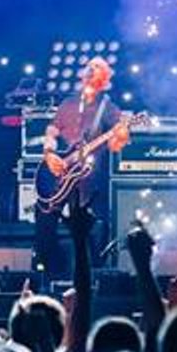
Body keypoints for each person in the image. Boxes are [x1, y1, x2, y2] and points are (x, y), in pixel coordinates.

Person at [34, 56, 133, 275]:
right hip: (61, 173)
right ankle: (48, 274)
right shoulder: (68, 103)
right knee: (45, 221)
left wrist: (122, 134)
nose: (91, 70)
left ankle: (90, 279)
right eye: (89, 67)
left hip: (88, 180)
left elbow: (116, 145)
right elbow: (51, 131)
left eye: (97, 68)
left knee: (90, 230)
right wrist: (49, 153)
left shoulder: (108, 108)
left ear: (104, 79)